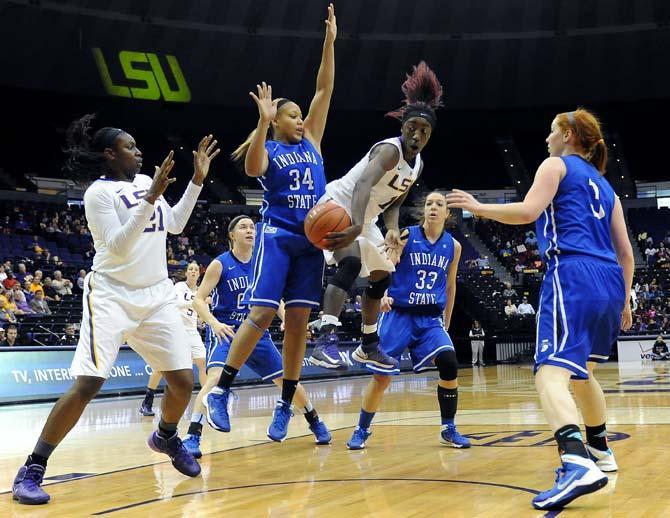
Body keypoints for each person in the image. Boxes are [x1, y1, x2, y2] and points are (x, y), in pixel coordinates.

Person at [12, 114, 220, 505]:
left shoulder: (144, 183)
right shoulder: (98, 195)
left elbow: (174, 225)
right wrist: (151, 199)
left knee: (182, 381)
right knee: (89, 383)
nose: (139, 152)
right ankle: (32, 468)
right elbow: (120, 245)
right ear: (109, 155)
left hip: (156, 294)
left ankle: (165, 435)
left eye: (138, 146)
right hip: (111, 295)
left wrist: (195, 181)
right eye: (130, 147)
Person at [447, 108, 634, 510]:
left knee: (549, 374)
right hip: (609, 281)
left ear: (567, 135)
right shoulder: (606, 186)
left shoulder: (555, 165)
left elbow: (528, 212)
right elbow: (626, 254)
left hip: (572, 272)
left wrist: (478, 208)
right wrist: (625, 299)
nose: (547, 140)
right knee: (580, 373)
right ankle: (601, 451)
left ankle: (575, 461)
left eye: (552, 132)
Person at [204, 4, 336, 442]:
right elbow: (253, 166)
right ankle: (221, 391)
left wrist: (329, 42)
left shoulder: (313, 139)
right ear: (277, 119)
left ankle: (285, 404)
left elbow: (324, 88)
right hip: (278, 237)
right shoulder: (271, 149)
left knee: (297, 323)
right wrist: (260, 124)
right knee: (261, 312)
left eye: (302, 116)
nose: (301, 120)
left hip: (311, 242)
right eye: (293, 116)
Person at [309, 61, 445, 371]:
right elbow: (362, 186)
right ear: (402, 128)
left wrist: (393, 229)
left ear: (429, 136)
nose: (417, 134)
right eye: (412, 128)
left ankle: (368, 345)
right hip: (340, 206)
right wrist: (356, 226)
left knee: (382, 275)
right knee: (352, 262)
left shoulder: (418, 164)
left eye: (424, 131)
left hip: (366, 219)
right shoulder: (390, 151)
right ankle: (324, 342)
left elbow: (395, 202)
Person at [184, 216, 331, 456]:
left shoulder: (264, 263)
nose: (249, 230)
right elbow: (198, 299)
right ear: (231, 235)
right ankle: (192, 435)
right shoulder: (220, 264)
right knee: (215, 379)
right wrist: (214, 323)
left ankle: (315, 421)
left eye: (252, 227)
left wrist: (288, 321)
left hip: (256, 333)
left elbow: (276, 300)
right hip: (228, 332)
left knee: (287, 381)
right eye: (243, 227)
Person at [346, 192, 470, 449]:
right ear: (423, 211)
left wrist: (446, 319)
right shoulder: (406, 235)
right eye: (429, 204)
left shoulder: (454, 246)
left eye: (439, 204)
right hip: (399, 315)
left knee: (449, 362)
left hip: (429, 318)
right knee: (382, 378)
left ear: (447, 214)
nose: (433, 207)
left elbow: (449, 285)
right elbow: (386, 265)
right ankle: (361, 429)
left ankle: (449, 428)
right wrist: (384, 294)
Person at [139, 261, 208, 416]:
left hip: (191, 330)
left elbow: (201, 316)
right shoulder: (179, 287)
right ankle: (147, 401)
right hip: (175, 329)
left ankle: (206, 399)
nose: (193, 271)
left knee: (203, 361)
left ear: (199, 273)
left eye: (196, 270)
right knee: (160, 368)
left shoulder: (200, 292)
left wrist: (205, 314)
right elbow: (176, 304)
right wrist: (196, 303)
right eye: (190, 269)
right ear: (186, 273)